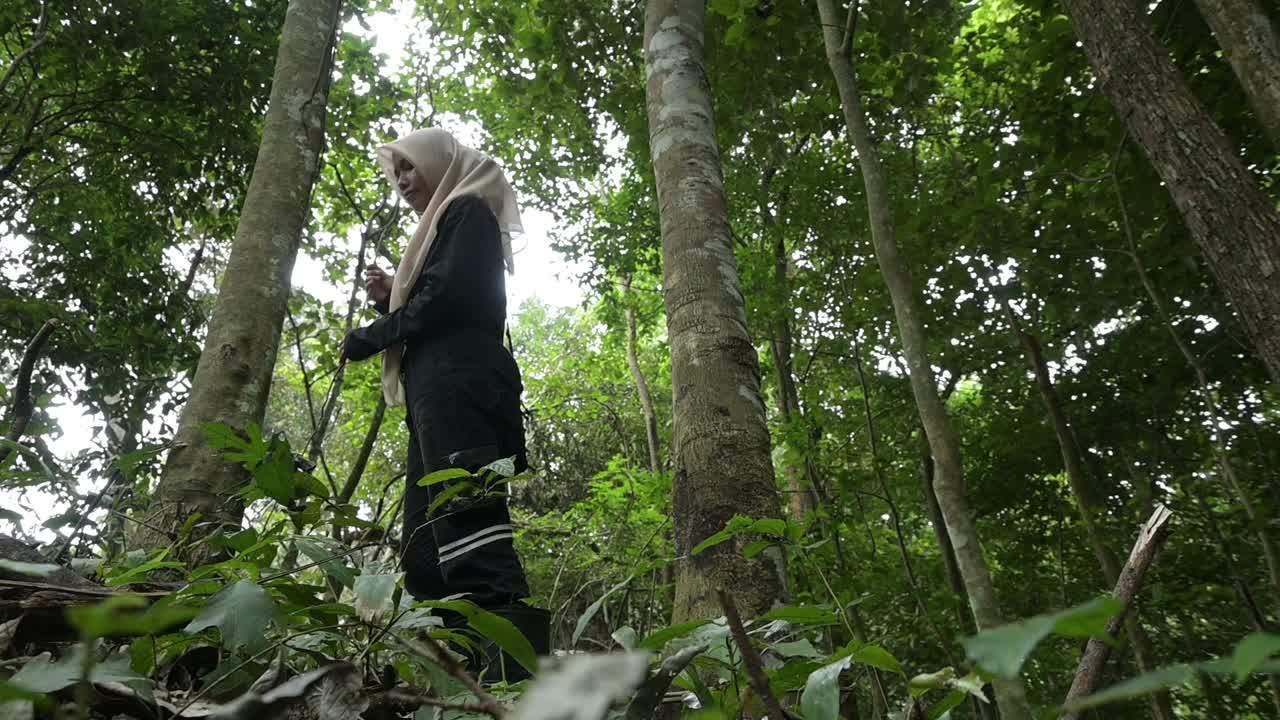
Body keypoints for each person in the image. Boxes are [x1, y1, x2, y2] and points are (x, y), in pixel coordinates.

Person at [339, 128, 548, 681]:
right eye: (397, 172)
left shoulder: (466, 211)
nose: (403, 181)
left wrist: (375, 332)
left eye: (411, 167)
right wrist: (396, 296)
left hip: (462, 386)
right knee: (425, 546)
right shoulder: (448, 225)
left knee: (470, 525)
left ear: (442, 161)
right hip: (437, 392)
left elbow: (450, 298)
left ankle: (515, 689)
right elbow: (442, 292)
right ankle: (460, 685)